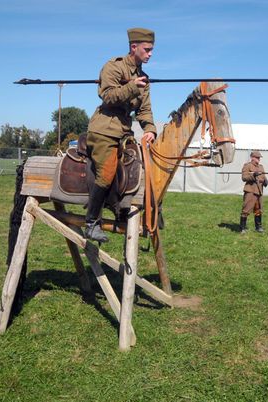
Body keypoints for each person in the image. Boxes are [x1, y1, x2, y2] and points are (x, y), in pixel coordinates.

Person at [84, 27, 157, 242]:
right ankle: (91, 222)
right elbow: (108, 96)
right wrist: (132, 87)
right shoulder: (113, 67)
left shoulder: (144, 77)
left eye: (152, 50)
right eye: (147, 49)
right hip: (104, 129)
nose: (150, 53)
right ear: (134, 47)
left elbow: (144, 110)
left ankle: (124, 209)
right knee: (106, 173)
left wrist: (150, 129)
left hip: (125, 132)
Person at [240, 150, 268, 233]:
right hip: (250, 191)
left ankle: (258, 227)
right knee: (246, 209)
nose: (259, 159)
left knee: (258, 210)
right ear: (252, 158)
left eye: (259, 158)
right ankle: (242, 228)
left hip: (259, 191)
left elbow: (263, 176)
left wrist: (265, 181)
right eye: (257, 157)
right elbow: (244, 177)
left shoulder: (261, 167)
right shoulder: (247, 166)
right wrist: (253, 175)